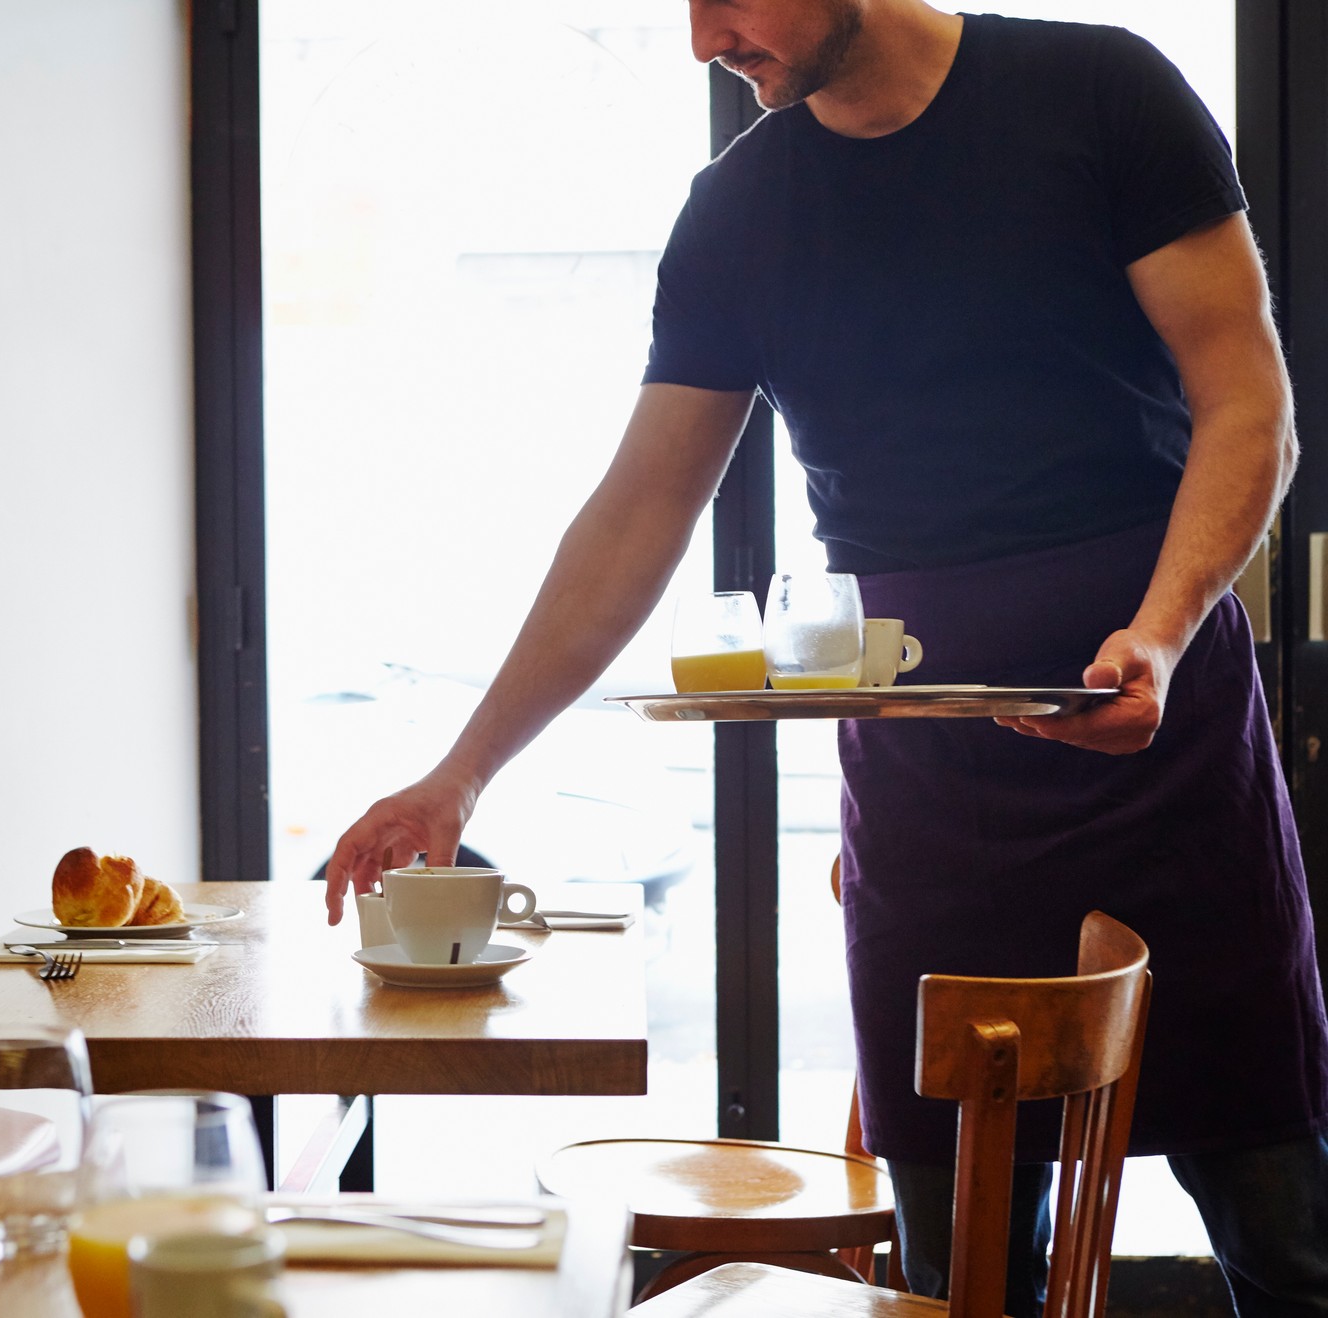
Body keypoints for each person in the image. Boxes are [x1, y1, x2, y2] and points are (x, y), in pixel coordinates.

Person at [323, 2, 1328, 1314]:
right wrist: (463, 771)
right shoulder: (738, 215)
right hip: (926, 781)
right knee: (957, 1275)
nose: (702, 40)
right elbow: (638, 512)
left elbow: (1247, 400)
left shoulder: (1105, 92)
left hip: (1167, 727)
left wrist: (1163, 626)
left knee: (1289, 1243)